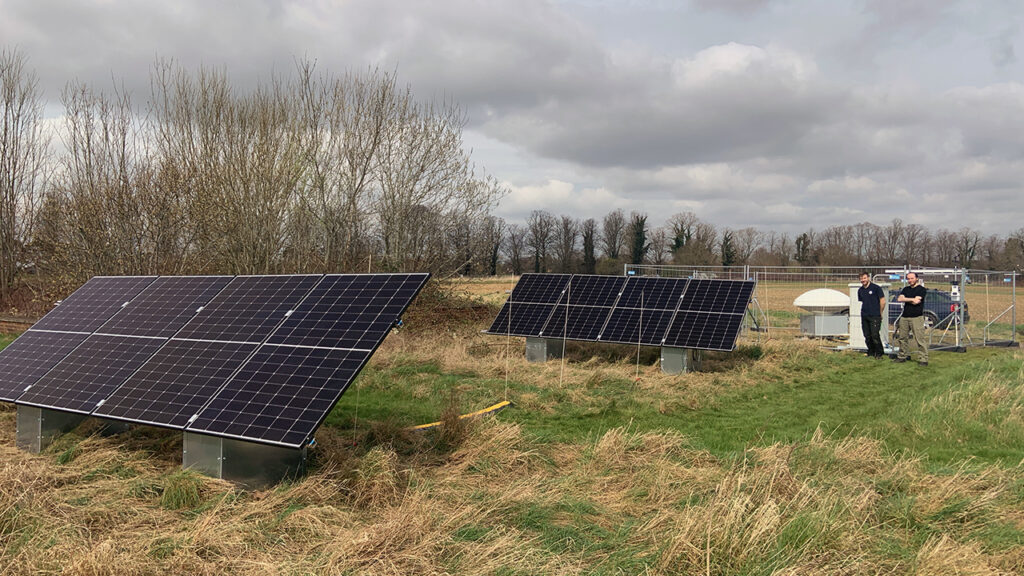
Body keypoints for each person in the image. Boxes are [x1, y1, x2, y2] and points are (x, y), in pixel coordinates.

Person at [894, 271, 928, 366]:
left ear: (916, 278)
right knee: (902, 338)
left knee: (919, 339)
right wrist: (912, 299)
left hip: (916, 317)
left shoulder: (921, 289)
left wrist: (908, 299)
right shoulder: (905, 289)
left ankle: (923, 359)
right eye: (908, 278)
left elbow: (916, 302)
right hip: (904, 317)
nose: (910, 280)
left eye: (912, 278)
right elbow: (900, 299)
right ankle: (902, 356)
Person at [857, 272, 885, 358]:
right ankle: (871, 351)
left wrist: (880, 312)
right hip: (865, 315)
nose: (863, 280)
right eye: (861, 279)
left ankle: (879, 352)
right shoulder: (860, 290)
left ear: (868, 278)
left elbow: (883, 301)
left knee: (875, 335)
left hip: (875, 315)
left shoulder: (876, 288)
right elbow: (863, 301)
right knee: (867, 335)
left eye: (864, 278)